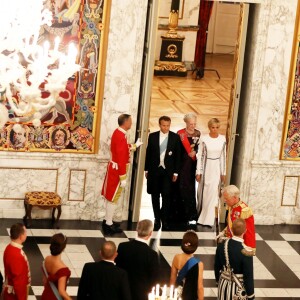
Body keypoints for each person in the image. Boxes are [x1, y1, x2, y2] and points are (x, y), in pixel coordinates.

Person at [101, 114, 142, 234]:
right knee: (112, 198)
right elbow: (121, 158)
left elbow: (123, 149)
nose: (131, 123)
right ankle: (108, 224)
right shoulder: (120, 135)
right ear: (125, 122)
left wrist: (134, 146)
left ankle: (108, 221)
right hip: (117, 170)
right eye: (130, 121)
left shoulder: (119, 133)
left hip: (115, 169)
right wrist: (122, 177)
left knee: (112, 197)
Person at [145, 115, 181, 230]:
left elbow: (178, 156)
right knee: (155, 195)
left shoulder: (175, 137)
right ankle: (156, 219)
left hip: (168, 171)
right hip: (155, 170)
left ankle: (164, 219)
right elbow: (148, 154)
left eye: (168, 126)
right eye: (164, 125)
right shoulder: (153, 136)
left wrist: (176, 172)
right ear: (159, 125)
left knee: (166, 195)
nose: (166, 128)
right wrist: (146, 169)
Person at [115, 219, 159, 300]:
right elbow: (153, 278)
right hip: (141, 293)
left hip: (122, 290)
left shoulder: (123, 246)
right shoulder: (152, 254)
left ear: (136, 230)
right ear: (150, 233)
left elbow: (117, 267)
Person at [196, 118, 226, 227]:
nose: (215, 130)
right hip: (206, 167)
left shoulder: (222, 139)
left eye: (217, 127)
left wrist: (223, 172)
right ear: (209, 127)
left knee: (214, 192)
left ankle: (210, 219)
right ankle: (202, 217)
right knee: (206, 193)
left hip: (217, 168)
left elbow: (223, 156)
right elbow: (200, 156)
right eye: (213, 127)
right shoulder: (204, 139)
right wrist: (198, 172)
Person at [214, 218, 255, 300]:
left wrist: (218, 281)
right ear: (245, 231)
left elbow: (216, 266)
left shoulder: (221, 245)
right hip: (237, 290)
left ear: (232, 230)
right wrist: (251, 295)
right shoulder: (246, 251)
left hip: (223, 284)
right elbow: (248, 276)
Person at [176, 113, 201, 226]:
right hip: (182, 163)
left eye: (194, 123)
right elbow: (177, 149)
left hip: (192, 163)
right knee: (181, 187)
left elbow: (199, 147)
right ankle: (180, 215)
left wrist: (195, 151)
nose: (193, 126)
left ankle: (191, 215)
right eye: (191, 124)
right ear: (186, 123)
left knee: (191, 188)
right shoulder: (180, 133)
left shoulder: (198, 133)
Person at [217, 185, 256, 254]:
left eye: (227, 199)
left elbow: (244, 230)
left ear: (234, 198)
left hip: (242, 243)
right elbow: (231, 224)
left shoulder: (244, 210)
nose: (225, 201)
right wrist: (223, 232)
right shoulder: (231, 206)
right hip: (232, 239)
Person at [170, 230, 204, 300]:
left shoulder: (176, 257)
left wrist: (171, 295)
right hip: (190, 296)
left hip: (178, 294)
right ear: (196, 246)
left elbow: (172, 279)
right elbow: (199, 287)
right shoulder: (199, 264)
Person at [3, 223, 31, 300]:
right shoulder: (17, 255)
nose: (26, 235)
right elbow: (19, 283)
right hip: (14, 295)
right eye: (25, 232)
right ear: (21, 236)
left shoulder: (9, 247)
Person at [41, 233, 71, 300]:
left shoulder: (46, 259)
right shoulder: (63, 269)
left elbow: (44, 281)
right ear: (63, 248)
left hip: (45, 295)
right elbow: (61, 292)